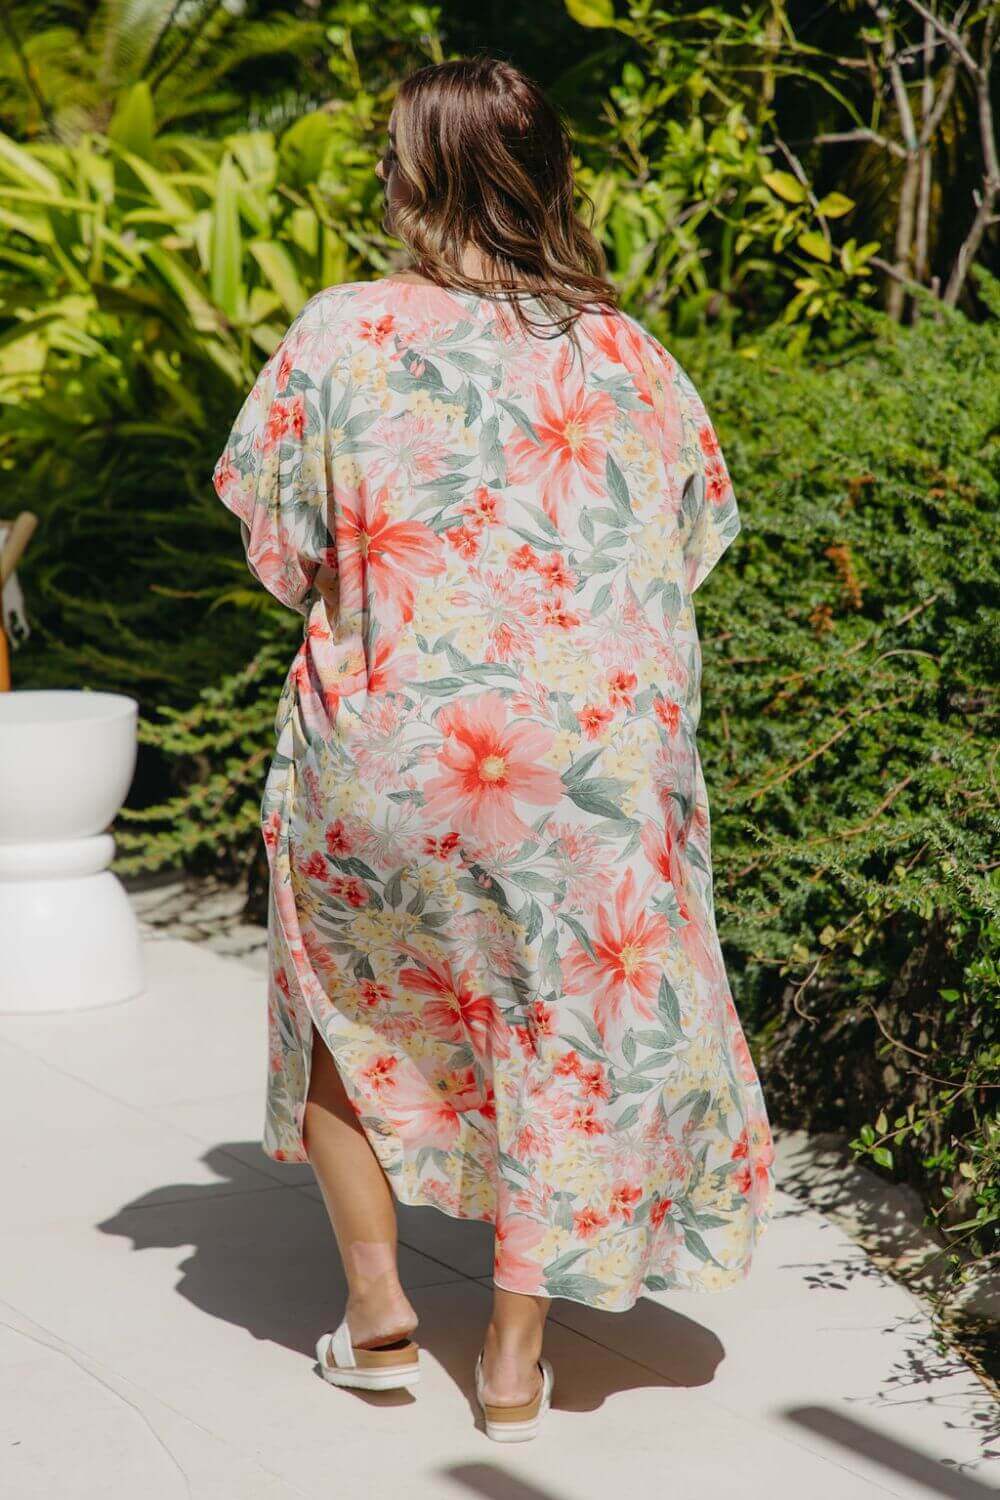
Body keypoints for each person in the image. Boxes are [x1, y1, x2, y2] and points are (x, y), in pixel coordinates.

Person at [213, 54, 775, 1442]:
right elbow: (691, 549)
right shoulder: (627, 353)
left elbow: (281, 553)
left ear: (411, 179)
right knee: (557, 1040)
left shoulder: (340, 334)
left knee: (345, 1008)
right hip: (584, 776)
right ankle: (516, 1362)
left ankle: (381, 1314)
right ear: (547, 176)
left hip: (391, 755)